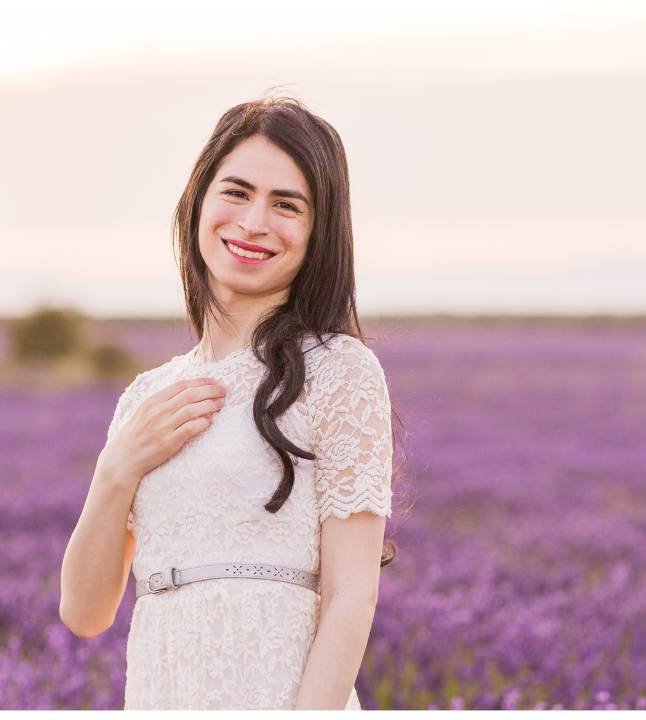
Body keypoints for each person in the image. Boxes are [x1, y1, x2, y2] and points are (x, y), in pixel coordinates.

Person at [60, 97, 395, 711]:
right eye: (236, 192)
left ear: (320, 233)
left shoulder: (339, 371)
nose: (254, 222)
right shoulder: (144, 397)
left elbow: (353, 595)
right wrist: (116, 469)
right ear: (197, 203)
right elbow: (84, 613)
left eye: (286, 204)